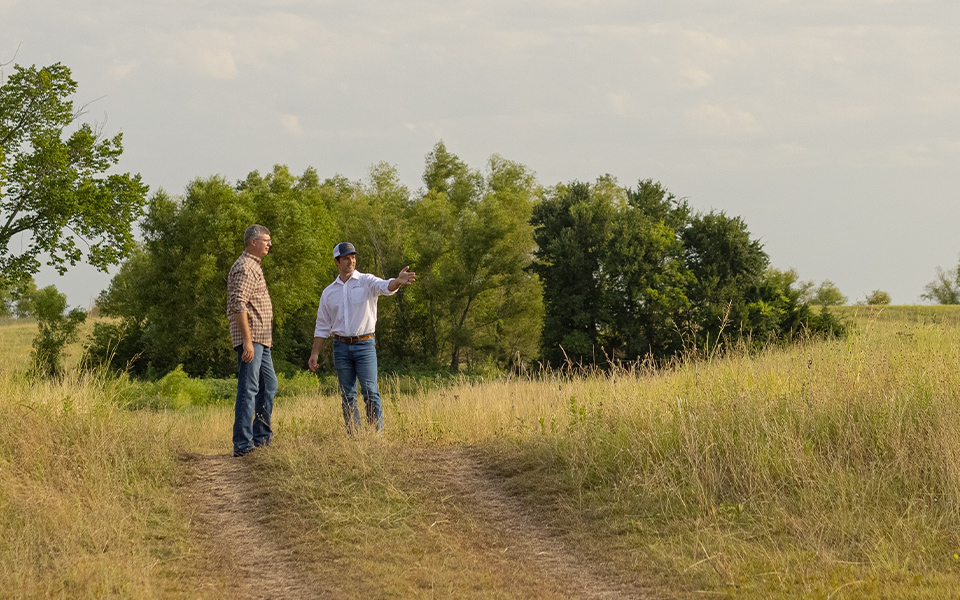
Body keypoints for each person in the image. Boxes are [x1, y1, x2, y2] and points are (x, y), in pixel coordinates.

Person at [308, 242, 415, 432]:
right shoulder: (328, 292)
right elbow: (322, 325)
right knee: (347, 394)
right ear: (336, 261)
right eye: (347, 258)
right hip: (340, 347)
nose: (351, 261)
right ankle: (354, 438)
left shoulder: (366, 281)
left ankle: (375, 436)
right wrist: (315, 353)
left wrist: (398, 281)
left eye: (353, 257)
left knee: (370, 392)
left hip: (365, 345)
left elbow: (385, 286)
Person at [226, 224, 278, 457]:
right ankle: (243, 444)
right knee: (249, 389)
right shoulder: (246, 267)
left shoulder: (253, 266)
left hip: (262, 339)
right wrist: (247, 341)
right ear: (253, 242)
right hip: (253, 339)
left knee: (269, 386)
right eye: (266, 240)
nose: (269, 244)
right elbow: (238, 304)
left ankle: (261, 438)